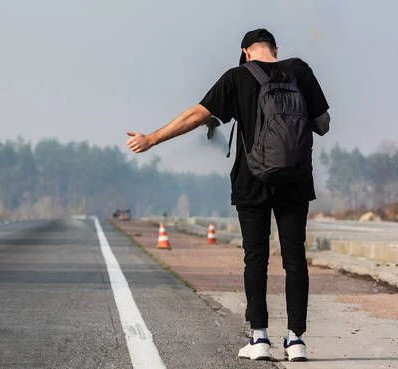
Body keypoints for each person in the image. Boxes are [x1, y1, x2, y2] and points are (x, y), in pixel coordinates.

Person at [125, 28, 330, 362]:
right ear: (276, 49)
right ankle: (296, 341)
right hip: (295, 179)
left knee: (256, 257)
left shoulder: (238, 76)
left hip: (252, 179)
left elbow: (197, 115)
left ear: (246, 52)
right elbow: (323, 123)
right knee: (295, 258)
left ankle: (259, 338)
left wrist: (152, 138)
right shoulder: (300, 71)